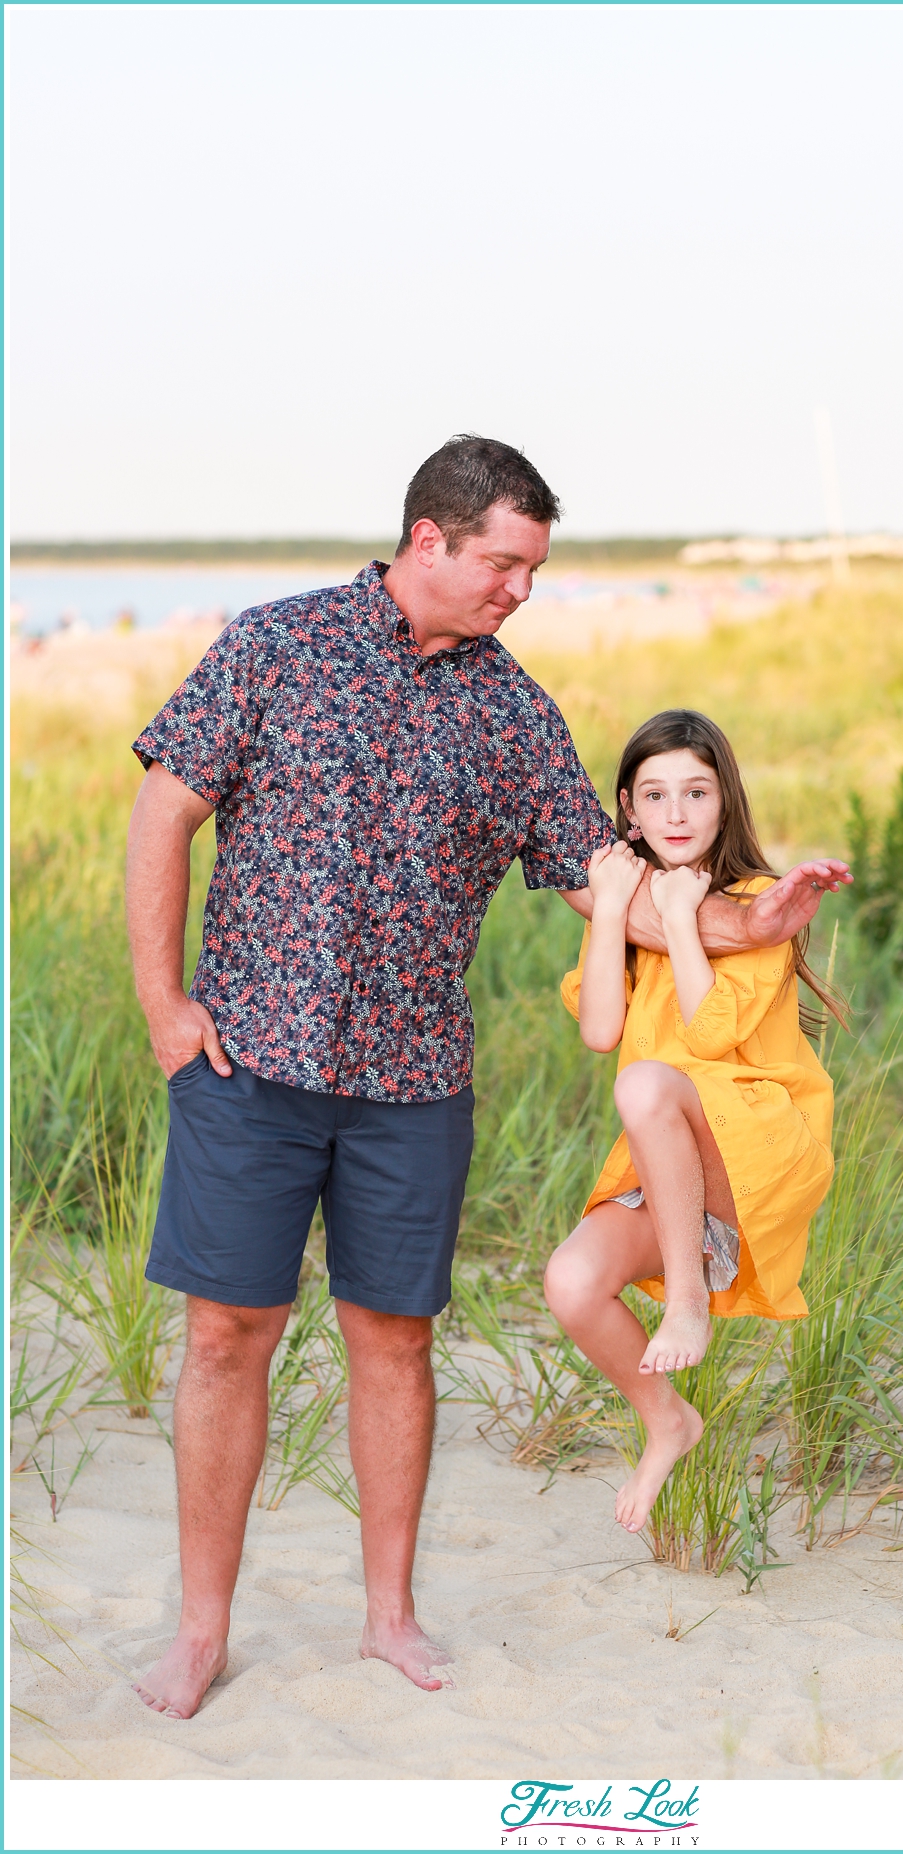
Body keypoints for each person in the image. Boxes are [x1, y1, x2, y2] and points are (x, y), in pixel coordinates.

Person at [124, 434, 849, 1719]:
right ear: (430, 541)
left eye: (535, 570)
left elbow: (602, 883)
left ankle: (389, 1617)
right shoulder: (275, 646)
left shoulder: (512, 708)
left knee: (393, 1345)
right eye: (505, 564)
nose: (521, 589)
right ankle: (199, 1631)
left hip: (413, 1085)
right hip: (249, 1061)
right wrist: (165, 1004)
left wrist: (757, 920)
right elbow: (164, 810)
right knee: (227, 1337)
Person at [546, 710, 849, 1536]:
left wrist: (682, 917)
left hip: (760, 1150)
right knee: (570, 1283)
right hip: (674, 1169)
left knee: (647, 1084)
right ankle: (667, 1419)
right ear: (628, 808)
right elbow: (599, 1029)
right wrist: (613, 909)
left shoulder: (756, 905)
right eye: (655, 795)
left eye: (696, 792)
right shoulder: (636, 908)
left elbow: (711, 1036)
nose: (676, 815)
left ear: (725, 802)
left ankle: (689, 1301)